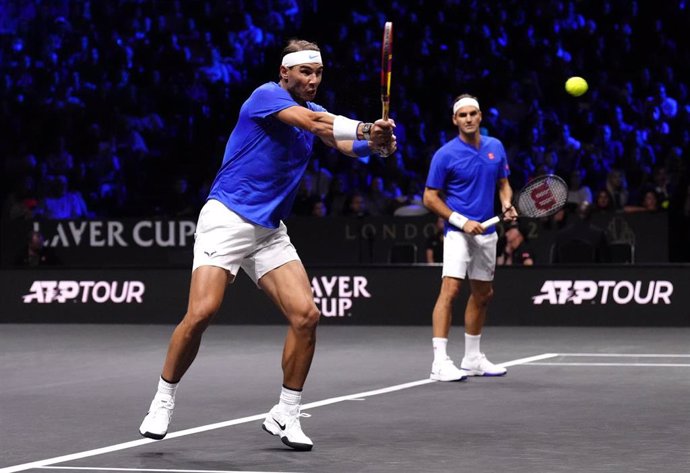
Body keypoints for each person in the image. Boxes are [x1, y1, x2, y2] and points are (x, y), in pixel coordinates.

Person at [138, 39, 396, 451]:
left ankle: (285, 413)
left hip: (268, 231)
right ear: (285, 73)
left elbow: (340, 141)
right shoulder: (266, 96)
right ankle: (163, 400)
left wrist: (374, 144)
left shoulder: (315, 112)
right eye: (305, 73)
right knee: (203, 311)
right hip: (226, 217)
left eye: (318, 73)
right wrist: (366, 127)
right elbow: (317, 126)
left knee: (306, 316)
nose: (313, 80)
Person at [422, 94, 516, 382]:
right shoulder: (445, 154)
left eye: (473, 114)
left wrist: (507, 203)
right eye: (462, 115)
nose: (468, 119)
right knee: (450, 291)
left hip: (487, 232)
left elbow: (503, 183)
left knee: (483, 294)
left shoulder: (495, 147)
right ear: (455, 120)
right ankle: (439, 362)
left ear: (480, 116)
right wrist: (461, 222)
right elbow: (429, 197)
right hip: (457, 233)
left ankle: (473, 359)